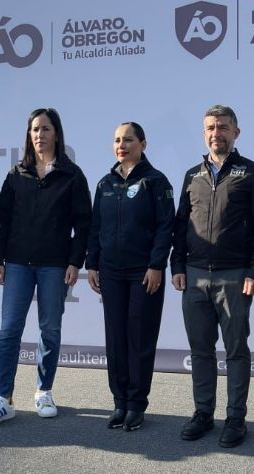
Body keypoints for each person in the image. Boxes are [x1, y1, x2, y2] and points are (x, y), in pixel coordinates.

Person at [0, 108, 92, 429]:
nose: (39, 135)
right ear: (29, 136)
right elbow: (5, 222)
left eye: (45, 129)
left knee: (50, 330)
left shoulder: (72, 175)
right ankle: (3, 399)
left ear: (56, 133)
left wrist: (74, 262)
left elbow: (83, 225)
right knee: (9, 329)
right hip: (17, 263)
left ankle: (44, 391)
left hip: (54, 265)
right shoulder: (16, 174)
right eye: (34, 130)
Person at [170, 105, 254, 448]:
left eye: (224, 127)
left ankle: (235, 418)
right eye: (211, 128)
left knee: (235, 351)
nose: (217, 133)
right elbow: (180, 224)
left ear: (236, 133)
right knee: (200, 350)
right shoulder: (192, 175)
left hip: (235, 277)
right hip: (195, 276)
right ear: (205, 133)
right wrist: (177, 266)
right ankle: (203, 413)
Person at [85, 122, 175, 432]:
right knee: (116, 338)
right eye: (117, 140)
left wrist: (156, 265)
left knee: (139, 338)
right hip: (110, 272)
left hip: (143, 273)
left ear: (143, 144)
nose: (122, 145)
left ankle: (137, 404)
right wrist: (92, 264)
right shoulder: (105, 184)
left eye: (129, 139)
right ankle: (119, 401)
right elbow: (95, 227)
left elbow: (166, 227)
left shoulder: (156, 181)